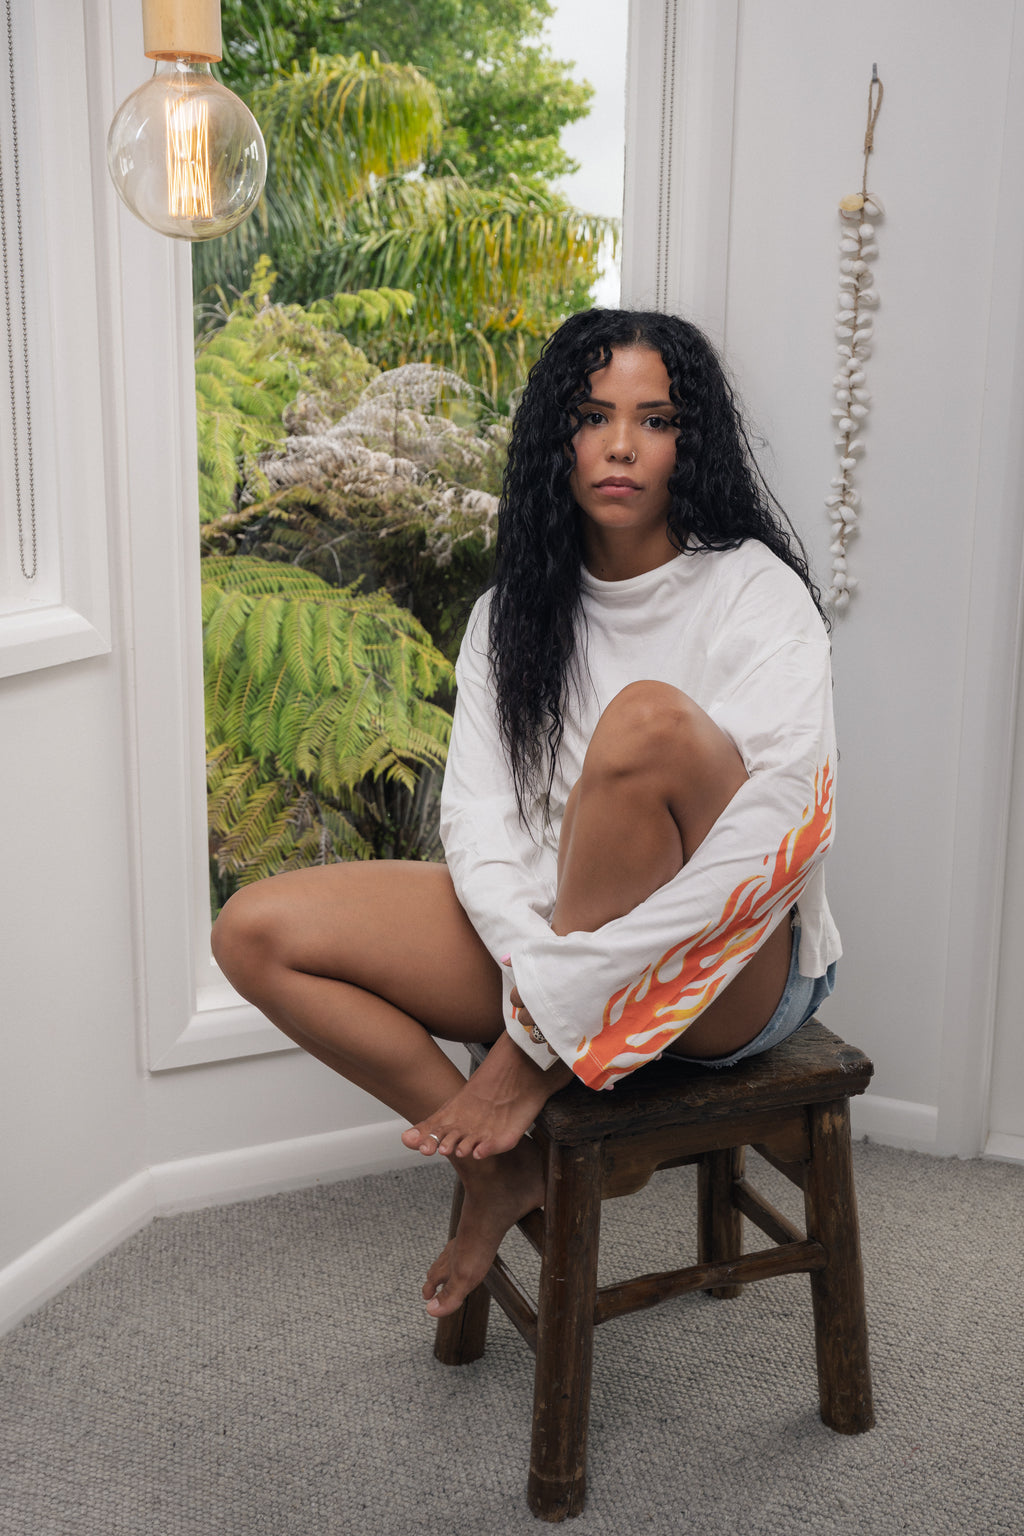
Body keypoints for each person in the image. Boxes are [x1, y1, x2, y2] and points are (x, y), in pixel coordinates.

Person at [212, 308, 840, 1322]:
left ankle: (532, 1072)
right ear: (558, 439)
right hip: (552, 949)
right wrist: (536, 968)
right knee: (255, 933)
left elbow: (776, 840)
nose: (623, 445)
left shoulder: (754, 594)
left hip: (728, 966)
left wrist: (533, 1035)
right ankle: (498, 1177)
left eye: (656, 419)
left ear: (695, 441)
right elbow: (479, 827)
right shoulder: (511, 615)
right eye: (593, 418)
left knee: (644, 727)